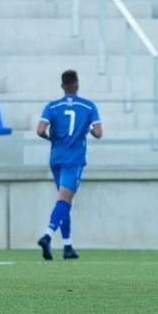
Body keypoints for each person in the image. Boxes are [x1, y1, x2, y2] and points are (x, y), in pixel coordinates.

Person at [36, 70, 103, 261]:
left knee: (64, 201)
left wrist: (52, 139)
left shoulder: (52, 106)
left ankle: (67, 246)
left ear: (62, 86)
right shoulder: (88, 106)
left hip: (56, 157)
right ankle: (47, 235)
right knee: (64, 200)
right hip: (74, 159)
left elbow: (40, 130)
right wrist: (89, 129)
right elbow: (98, 133)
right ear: (77, 84)